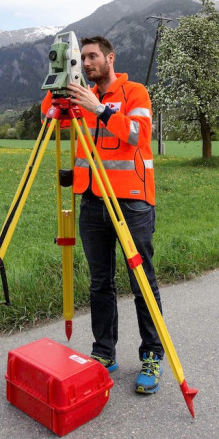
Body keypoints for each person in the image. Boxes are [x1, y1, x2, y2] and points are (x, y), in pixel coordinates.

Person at [41, 35, 163, 394]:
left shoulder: (134, 93)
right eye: (81, 58)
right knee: (100, 283)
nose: (87, 63)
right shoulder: (81, 96)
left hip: (131, 202)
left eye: (92, 56)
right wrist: (59, 83)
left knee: (141, 282)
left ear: (110, 58)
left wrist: (100, 109)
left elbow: (139, 135)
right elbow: (48, 120)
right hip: (93, 201)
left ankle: (152, 355)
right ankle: (104, 352)